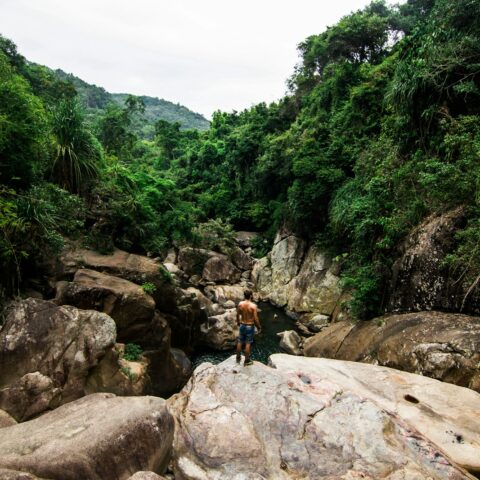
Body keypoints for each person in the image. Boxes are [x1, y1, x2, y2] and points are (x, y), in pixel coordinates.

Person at [236, 289, 261, 366]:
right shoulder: (253, 306)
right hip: (250, 326)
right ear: (251, 296)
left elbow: (237, 315)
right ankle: (246, 361)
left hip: (242, 324)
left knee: (240, 341)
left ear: (244, 296)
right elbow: (256, 319)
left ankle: (238, 357)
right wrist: (259, 327)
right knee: (248, 343)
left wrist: (238, 322)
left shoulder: (240, 304)